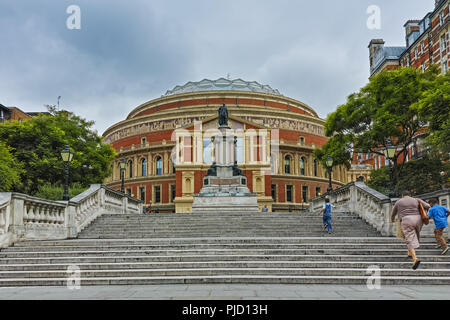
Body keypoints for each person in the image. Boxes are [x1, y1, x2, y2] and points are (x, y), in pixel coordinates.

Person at [391, 190, 431, 270]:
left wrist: (392, 219)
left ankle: (415, 259)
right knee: (415, 235)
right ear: (410, 195)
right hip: (418, 219)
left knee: (409, 238)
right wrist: (427, 215)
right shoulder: (416, 200)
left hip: (406, 220)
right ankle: (409, 252)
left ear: (402, 195)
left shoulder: (399, 202)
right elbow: (428, 206)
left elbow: (393, 212)